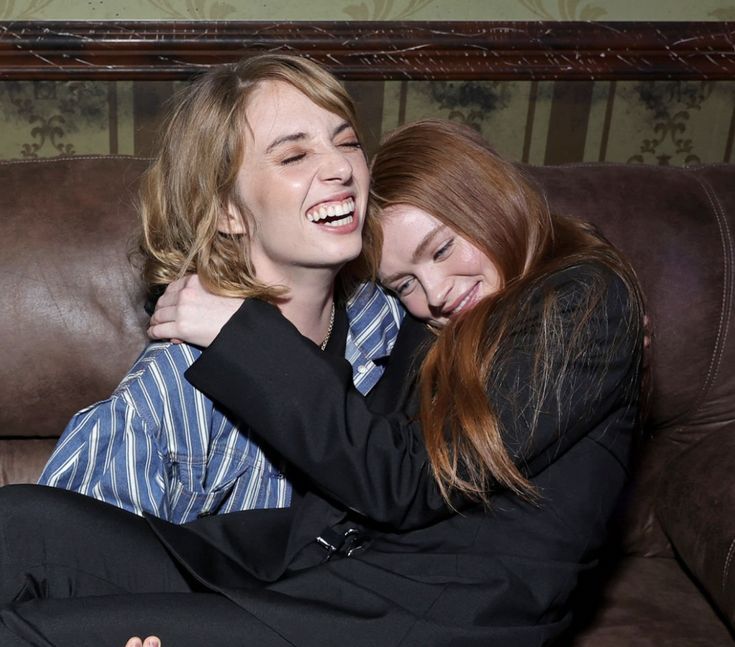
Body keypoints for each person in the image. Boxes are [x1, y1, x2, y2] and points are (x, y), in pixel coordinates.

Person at [0, 117, 645, 647]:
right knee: (20, 524)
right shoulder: (444, 315)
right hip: (308, 565)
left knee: (31, 634)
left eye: (443, 249)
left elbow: (406, 479)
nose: (437, 294)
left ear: (490, 198)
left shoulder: (586, 299)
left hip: (421, 617)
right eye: (405, 284)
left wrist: (238, 334)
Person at [36, 54, 403, 524]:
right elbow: (62, 562)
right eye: (293, 155)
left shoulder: (392, 323)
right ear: (227, 210)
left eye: (348, 142)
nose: (341, 168)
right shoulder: (168, 390)